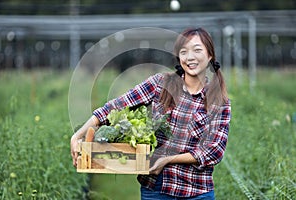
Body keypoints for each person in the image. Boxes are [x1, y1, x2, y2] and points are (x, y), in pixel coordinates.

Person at [70, 27, 231, 200]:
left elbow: (213, 150)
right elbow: (116, 106)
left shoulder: (219, 101)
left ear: (210, 56)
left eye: (197, 50)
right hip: (156, 189)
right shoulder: (160, 84)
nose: (190, 57)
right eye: (184, 52)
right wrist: (79, 133)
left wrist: (168, 160)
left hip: (198, 192)